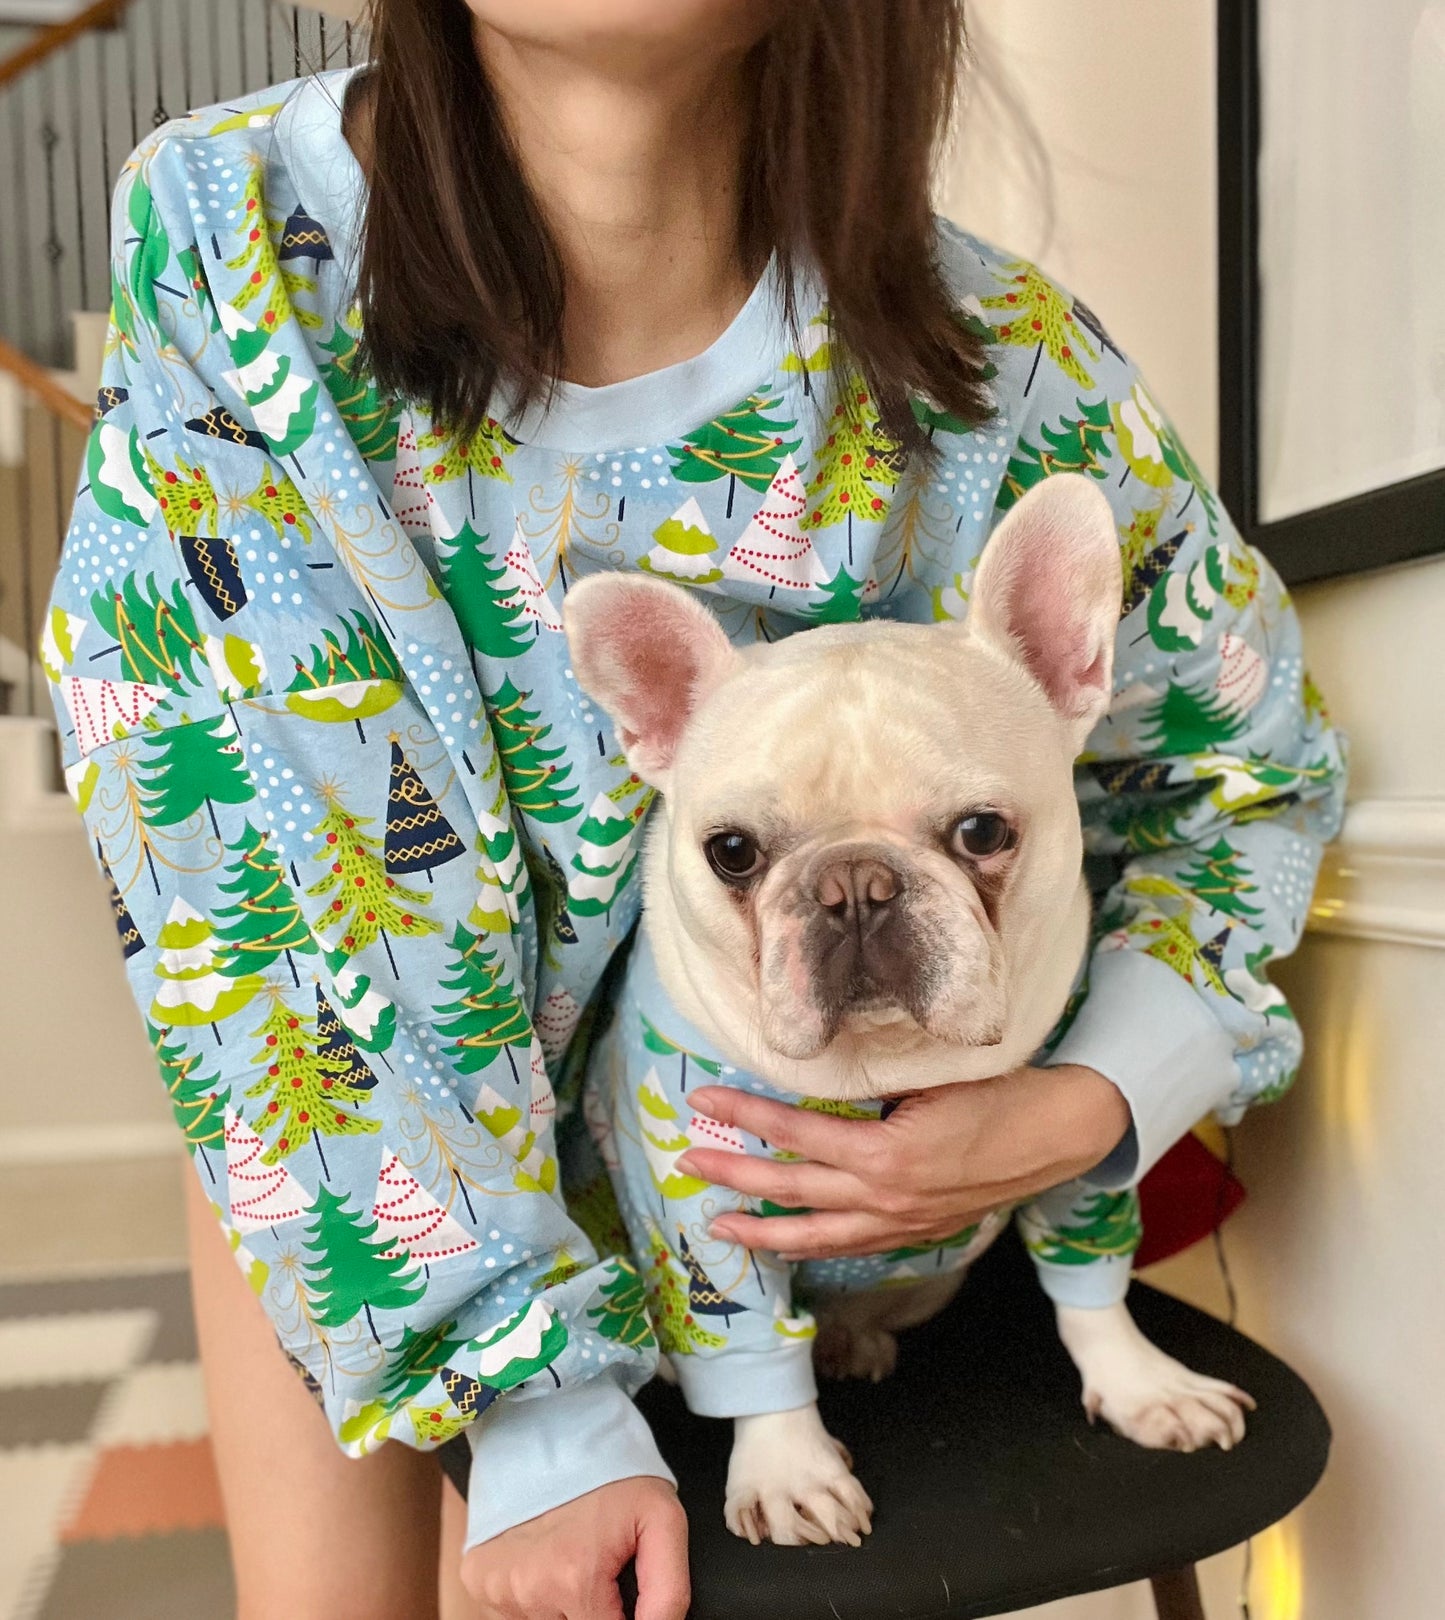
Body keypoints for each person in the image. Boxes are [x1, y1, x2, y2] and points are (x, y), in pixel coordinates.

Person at [42, 1, 1344, 1616]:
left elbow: (1244, 780)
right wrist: (543, 1416)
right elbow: (259, 881)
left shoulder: (1004, 371)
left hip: (867, 1225)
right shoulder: (240, 261)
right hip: (402, 1158)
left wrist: (1096, 1092)